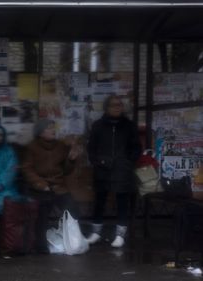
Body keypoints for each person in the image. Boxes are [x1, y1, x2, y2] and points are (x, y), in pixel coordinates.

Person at [86, 95, 142, 248]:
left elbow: (136, 147)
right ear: (106, 107)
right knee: (100, 200)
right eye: (113, 105)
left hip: (122, 169)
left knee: (122, 201)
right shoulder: (98, 125)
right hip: (102, 169)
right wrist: (97, 162)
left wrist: (127, 162)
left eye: (120, 105)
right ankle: (96, 233)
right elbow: (91, 148)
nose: (117, 107)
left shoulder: (129, 126)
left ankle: (120, 235)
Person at [21, 118, 81, 253]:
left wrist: (71, 160)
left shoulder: (60, 146)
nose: (53, 130)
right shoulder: (32, 147)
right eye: (49, 128)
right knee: (42, 213)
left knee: (72, 209)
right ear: (40, 132)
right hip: (40, 188)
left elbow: (66, 170)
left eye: (53, 128)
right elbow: (27, 169)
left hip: (58, 186)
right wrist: (40, 183)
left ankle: (74, 241)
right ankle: (41, 245)